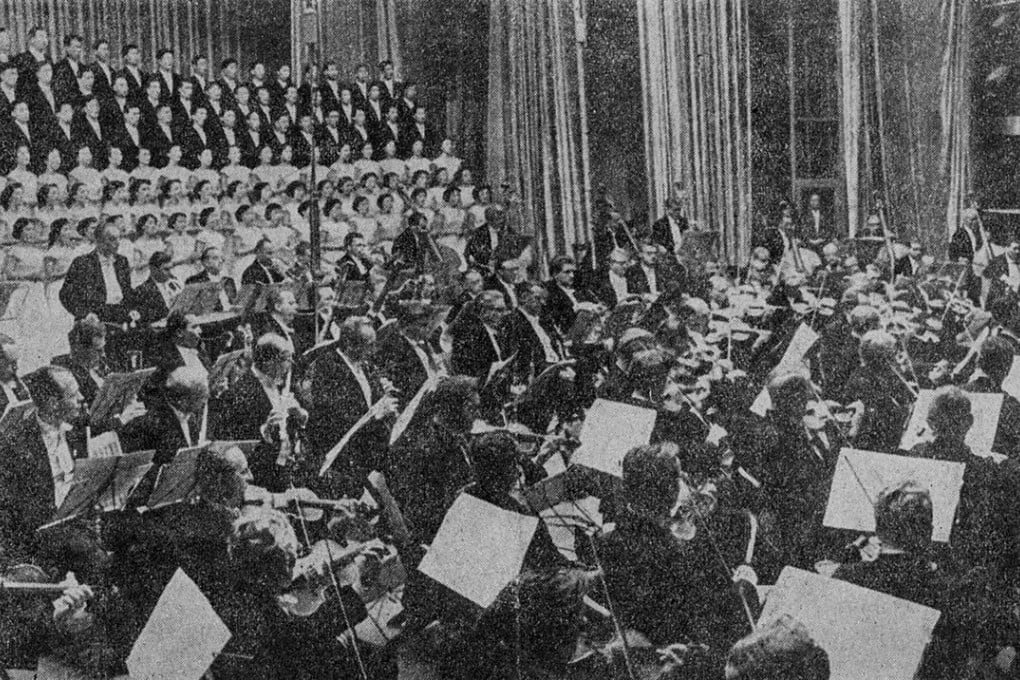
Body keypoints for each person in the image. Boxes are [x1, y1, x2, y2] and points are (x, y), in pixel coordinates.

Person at [0, 365, 85, 562]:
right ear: (53, 403)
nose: (82, 398)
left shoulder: (76, 430)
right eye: (73, 394)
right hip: (45, 535)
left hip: (77, 522)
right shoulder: (16, 446)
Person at [210, 333, 306, 491]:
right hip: (259, 482)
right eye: (286, 359)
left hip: (282, 473)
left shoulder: (277, 383)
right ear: (269, 362)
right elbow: (231, 447)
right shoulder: (240, 393)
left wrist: (300, 418)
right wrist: (264, 432)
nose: (290, 366)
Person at [119, 365, 209, 465]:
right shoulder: (153, 424)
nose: (202, 403)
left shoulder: (189, 417)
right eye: (199, 399)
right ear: (182, 399)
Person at [58, 220, 135, 323]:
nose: (117, 243)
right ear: (99, 240)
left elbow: (127, 291)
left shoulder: (122, 261)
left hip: (121, 316)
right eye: (112, 239)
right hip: (95, 318)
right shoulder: (82, 262)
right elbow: (66, 294)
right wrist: (85, 314)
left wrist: (132, 309)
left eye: (119, 238)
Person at [129, 251, 181, 324]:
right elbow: (142, 317)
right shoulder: (142, 290)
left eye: (171, 269)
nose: (170, 273)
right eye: (166, 269)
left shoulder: (174, 284)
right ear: (153, 269)